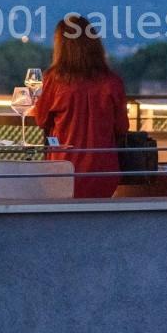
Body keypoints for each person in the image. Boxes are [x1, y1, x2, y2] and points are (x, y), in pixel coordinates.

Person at [31, 15, 129, 199]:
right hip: (103, 171)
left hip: (63, 169)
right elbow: (122, 127)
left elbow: (41, 119)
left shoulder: (53, 80)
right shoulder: (112, 82)